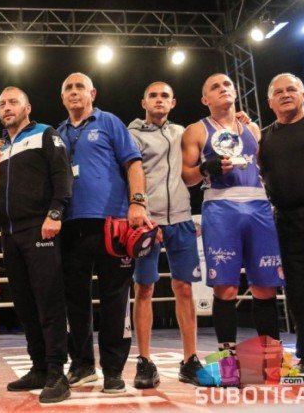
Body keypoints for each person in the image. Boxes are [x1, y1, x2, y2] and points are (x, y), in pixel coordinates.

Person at [57, 73, 151, 393]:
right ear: (62, 97)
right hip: (71, 226)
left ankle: (113, 369)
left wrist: (137, 202)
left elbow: (133, 164)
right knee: (75, 301)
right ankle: (82, 365)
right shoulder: (58, 133)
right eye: (68, 88)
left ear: (92, 93)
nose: (74, 92)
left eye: (79, 87)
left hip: (113, 224)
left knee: (115, 298)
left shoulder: (109, 122)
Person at [181, 73, 284, 358]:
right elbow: (187, 177)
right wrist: (206, 169)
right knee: (225, 288)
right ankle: (227, 361)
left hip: (259, 206)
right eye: (215, 87)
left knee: (265, 287)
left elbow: (265, 168)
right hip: (221, 207)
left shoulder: (252, 128)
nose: (223, 89)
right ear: (205, 99)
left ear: (236, 92)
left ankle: (271, 360)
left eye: (227, 85)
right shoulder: (196, 130)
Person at [0, 86, 73, 403]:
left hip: (40, 228)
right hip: (10, 233)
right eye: (2, 104)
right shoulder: (0, 147)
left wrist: (55, 213)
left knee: (48, 301)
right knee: (25, 304)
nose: (7, 107)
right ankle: (39, 367)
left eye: (13, 102)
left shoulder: (45, 133)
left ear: (27, 107)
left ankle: (57, 372)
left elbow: (62, 175)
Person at [127, 82, 202, 388]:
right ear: (143, 101)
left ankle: (190, 359)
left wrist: (240, 121)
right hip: (147, 220)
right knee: (144, 288)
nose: (159, 100)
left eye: (165, 96)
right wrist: (139, 212)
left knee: (184, 288)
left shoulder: (183, 132)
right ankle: (144, 361)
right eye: (154, 96)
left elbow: (212, 139)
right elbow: (128, 175)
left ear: (173, 102)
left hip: (181, 219)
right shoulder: (131, 134)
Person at [259, 73, 304, 375]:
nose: (285, 95)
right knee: (300, 292)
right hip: (287, 218)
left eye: (291, 89)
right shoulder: (263, 138)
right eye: (279, 92)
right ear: (270, 102)